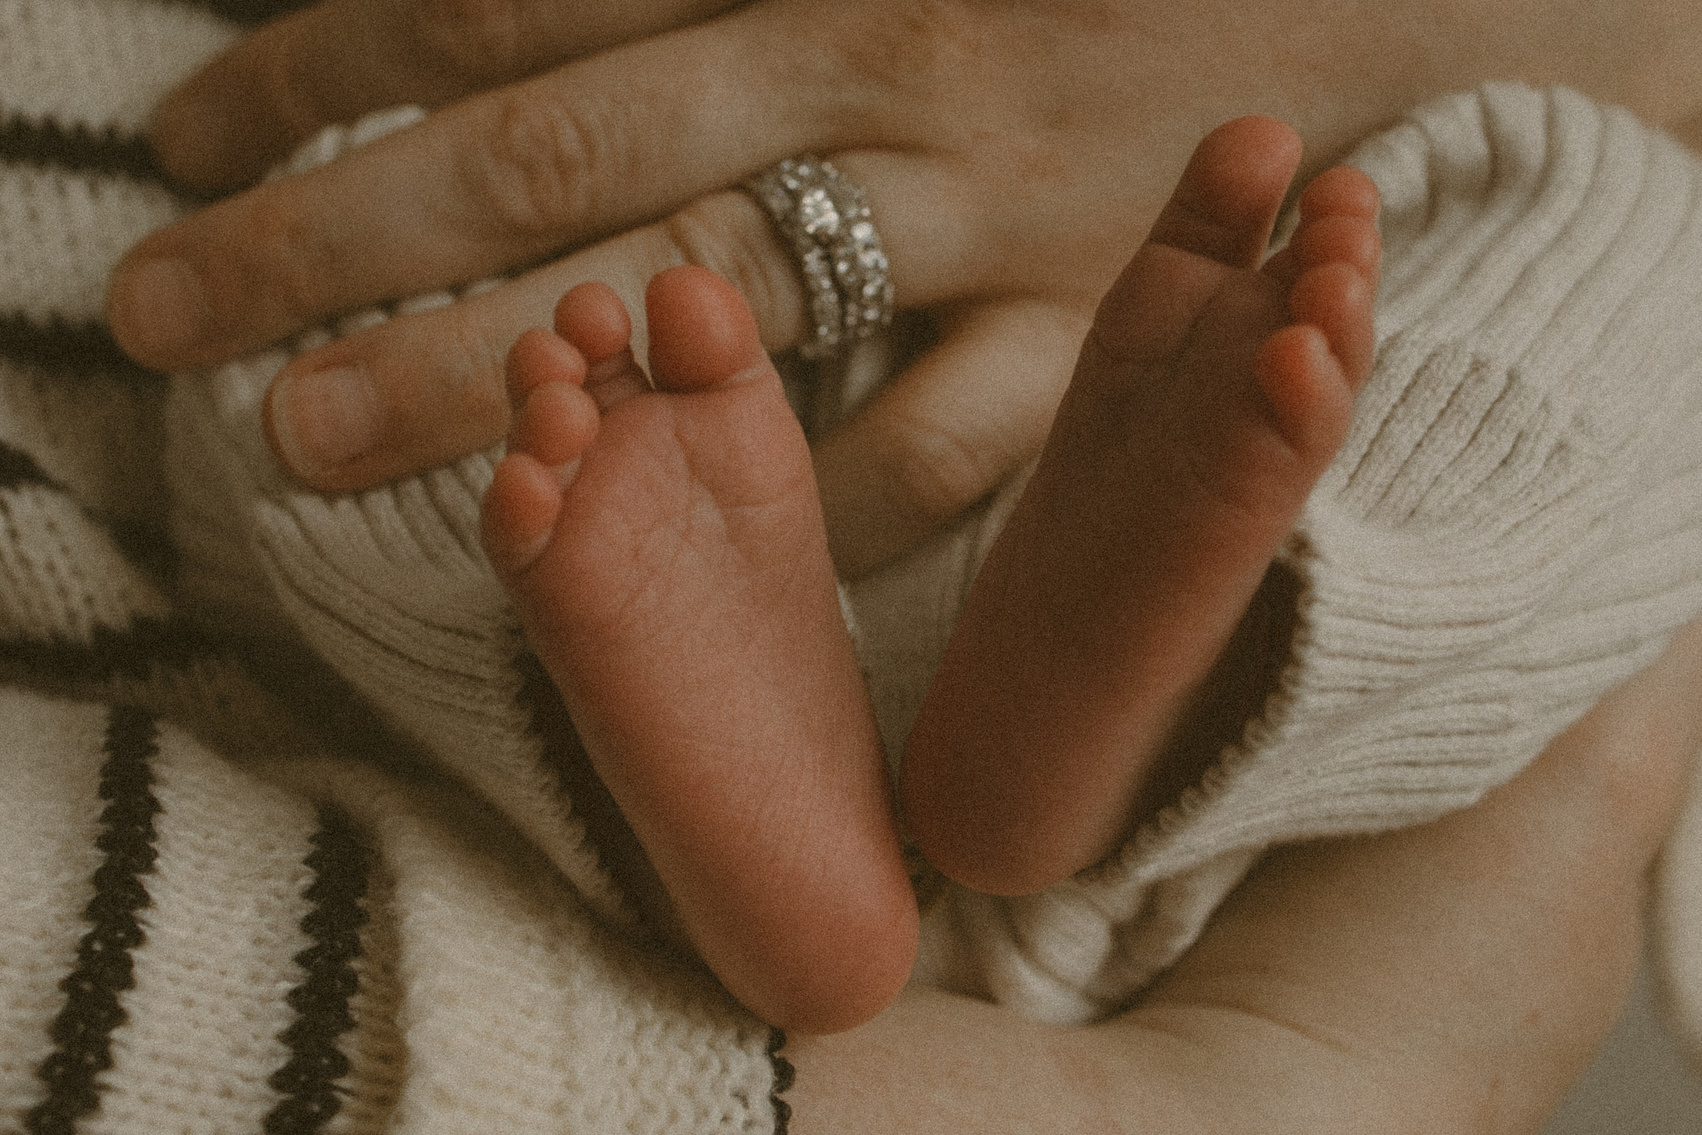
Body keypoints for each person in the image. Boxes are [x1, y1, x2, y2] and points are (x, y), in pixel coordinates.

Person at [476, 114, 1380, 1032]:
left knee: (500, 438)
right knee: (1455, 351)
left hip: (722, 378)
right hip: (1174, 883)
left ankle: (661, 831)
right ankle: (1221, 676)